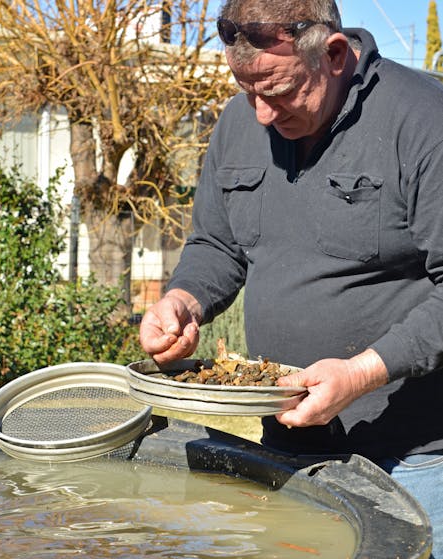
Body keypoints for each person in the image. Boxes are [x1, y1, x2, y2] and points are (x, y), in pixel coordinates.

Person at [139, 0, 443, 556]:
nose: (259, 113)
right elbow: (217, 244)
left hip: (413, 460)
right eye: (245, 88)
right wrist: (184, 300)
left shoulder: (424, 119)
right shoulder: (239, 121)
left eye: (276, 92)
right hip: (284, 445)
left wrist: (360, 373)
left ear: (331, 54)